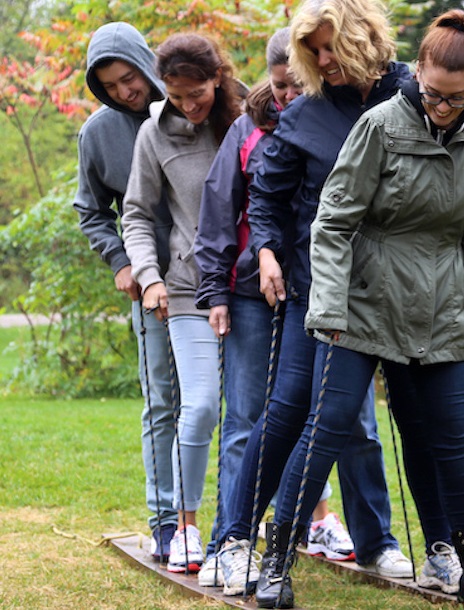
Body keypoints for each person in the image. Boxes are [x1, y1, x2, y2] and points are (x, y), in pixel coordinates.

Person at [283, 8, 464, 610]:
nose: (440, 107)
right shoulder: (380, 125)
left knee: (451, 438)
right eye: (430, 93)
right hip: (364, 306)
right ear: (417, 73)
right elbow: (333, 221)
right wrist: (327, 306)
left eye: (454, 99)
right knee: (329, 428)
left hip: (443, 308)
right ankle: (275, 558)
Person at [215, 0, 414, 605]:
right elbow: (268, 196)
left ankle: (378, 539)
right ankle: (236, 540)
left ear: (363, 39)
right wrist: (268, 251)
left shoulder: (411, 95)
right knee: (287, 409)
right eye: (314, 51)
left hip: (393, 289)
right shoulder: (303, 114)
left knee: (361, 424)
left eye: (332, 48)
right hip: (311, 287)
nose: (323, 61)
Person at [193, 27, 354, 589]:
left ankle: (348, 530)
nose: (286, 95)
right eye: (280, 84)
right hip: (261, 287)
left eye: (295, 85)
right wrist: (218, 287)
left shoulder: (342, 111)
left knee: (337, 418)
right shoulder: (252, 127)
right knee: (256, 415)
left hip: (322, 283)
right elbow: (226, 212)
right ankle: (229, 540)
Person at [122, 32, 242, 573]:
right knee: (199, 408)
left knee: (262, 413)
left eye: (197, 93)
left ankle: (283, 522)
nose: (189, 106)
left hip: (253, 292)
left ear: (217, 76)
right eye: (177, 96)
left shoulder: (250, 118)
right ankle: (185, 528)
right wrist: (149, 276)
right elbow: (137, 214)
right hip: (190, 292)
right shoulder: (155, 134)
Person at [73, 22, 177, 563]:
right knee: (162, 402)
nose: (124, 91)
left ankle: (242, 518)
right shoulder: (97, 132)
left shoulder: (191, 102)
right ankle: (165, 522)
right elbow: (90, 209)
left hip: (213, 279)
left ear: (144, 61)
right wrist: (120, 260)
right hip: (148, 284)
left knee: (241, 402)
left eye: (128, 77)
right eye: (111, 85)